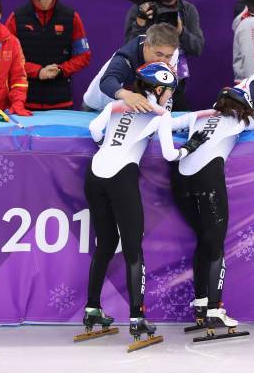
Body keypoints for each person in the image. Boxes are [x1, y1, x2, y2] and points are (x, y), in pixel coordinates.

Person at [80, 61, 207, 350]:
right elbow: (170, 154)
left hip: (95, 173)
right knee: (133, 250)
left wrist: (114, 138)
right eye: (169, 91)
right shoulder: (160, 114)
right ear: (159, 89)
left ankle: (91, 310)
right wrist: (192, 146)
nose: (170, 97)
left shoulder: (116, 104)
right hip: (121, 178)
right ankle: (137, 318)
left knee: (105, 245)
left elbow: (94, 131)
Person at [157, 87, 254, 338]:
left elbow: (164, 125)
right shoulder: (241, 119)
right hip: (208, 181)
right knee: (215, 244)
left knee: (204, 239)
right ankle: (214, 308)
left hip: (180, 180)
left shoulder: (197, 114)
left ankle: (201, 304)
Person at [6, 0, 90, 111]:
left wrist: (61, 69)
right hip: (23, 105)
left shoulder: (71, 17)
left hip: (61, 104)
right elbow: (7, 59)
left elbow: (83, 56)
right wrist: (38, 71)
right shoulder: (16, 18)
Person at [124, 0, 204, 111]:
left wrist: (181, 31)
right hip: (143, 85)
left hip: (175, 86)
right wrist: (140, 24)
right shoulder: (141, 8)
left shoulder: (188, 10)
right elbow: (128, 48)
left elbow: (197, 48)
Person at [99, 23, 179, 113]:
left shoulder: (171, 51)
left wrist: (168, 89)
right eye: (158, 54)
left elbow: (169, 80)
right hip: (98, 105)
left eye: (168, 56)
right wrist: (127, 95)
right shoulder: (127, 55)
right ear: (146, 46)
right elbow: (107, 81)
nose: (162, 60)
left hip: (136, 104)